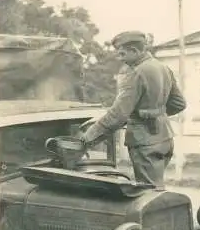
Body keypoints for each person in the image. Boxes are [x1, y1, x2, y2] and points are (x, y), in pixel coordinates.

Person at [80, 30, 187, 190]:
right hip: (165, 138)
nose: (120, 58)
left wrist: (86, 140)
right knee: (156, 188)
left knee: (148, 194)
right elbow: (179, 103)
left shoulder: (136, 73)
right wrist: (155, 114)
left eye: (122, 54)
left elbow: (118, 115)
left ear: (135, 51)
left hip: (144, 142)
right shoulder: (163, 68)